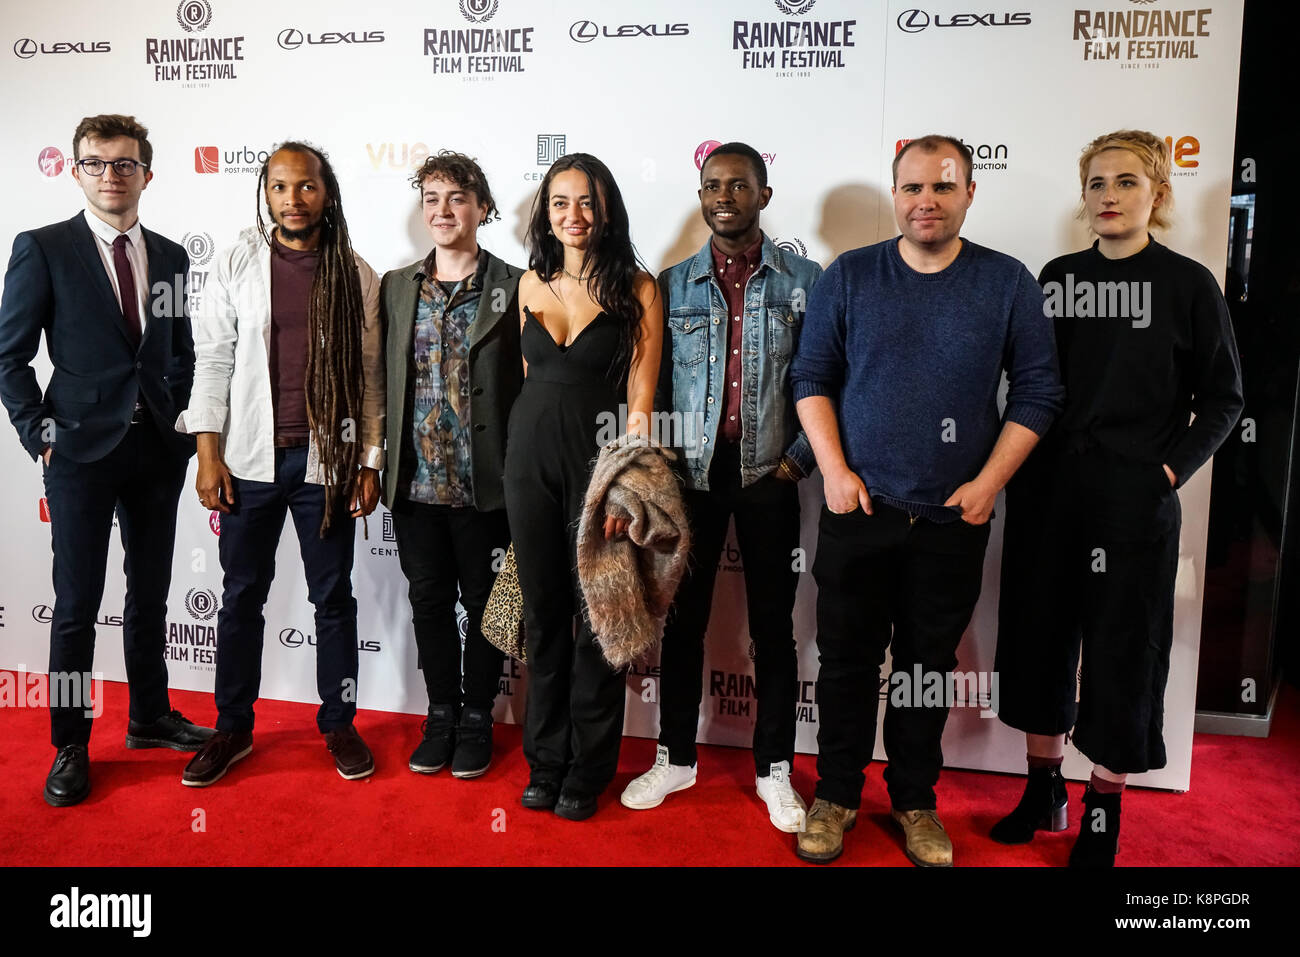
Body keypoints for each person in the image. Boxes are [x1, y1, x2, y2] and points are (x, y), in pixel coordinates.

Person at [788, 134, 1064, 865]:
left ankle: (914, 800)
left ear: (971, 192)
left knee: (923, 668)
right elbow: (810, 377)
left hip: (952, 520)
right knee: (846, 662)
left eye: (942, 187)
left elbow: (1039, 391)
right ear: (896, 194)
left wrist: (988, 483)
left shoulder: (1007, 282)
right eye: (911, 188)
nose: (926, 201)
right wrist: (836, 474)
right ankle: (836, 794)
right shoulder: (848, 276)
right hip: (860, 511)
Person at [991, 130, 1243, 866]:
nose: (1108, 196)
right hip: (1048, 495)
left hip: (1134, 504)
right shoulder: (1058, 276)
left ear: (1157, 195)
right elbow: (1032, 385)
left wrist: (1165, 473)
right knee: (1038, 641)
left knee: (1124, 652)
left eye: (1126, 183)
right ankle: (1043, 789)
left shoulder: (1191, 284)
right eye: (1097, 183)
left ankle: (1104, 804)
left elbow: (1225, 400)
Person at [0, 113, 213, 807]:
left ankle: (149, 715)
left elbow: (176, 351)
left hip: (157, 451)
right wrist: (40, 433)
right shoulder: (43, 248)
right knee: (74, 607)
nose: (111, 175)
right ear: (75, 170)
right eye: (96, 163)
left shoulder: (173, 257)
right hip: (79, 455)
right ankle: (69, 740)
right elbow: (10, 356)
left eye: (124, 164)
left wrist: (183, 427)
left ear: (147, 173)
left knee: (149, 596)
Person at [619, 142, 820, 833]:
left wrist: (798, 460)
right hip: (692, 482)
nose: (724, 195)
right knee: (682, 622)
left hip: (772, 477)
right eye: (712, 185)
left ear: (764, 194)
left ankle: (773, 770)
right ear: (700, 196)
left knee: (773, 630)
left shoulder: (806, 279)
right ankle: (675, 755)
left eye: (739, 184)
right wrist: (664, 472)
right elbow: (655, 384)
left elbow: (825, 379)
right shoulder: (671, 284)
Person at [176, 141, 385, 786]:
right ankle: (232, 726)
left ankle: (339, 722)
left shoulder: (356, 274)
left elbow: (371, 379)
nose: (293, 199)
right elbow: (210, 361)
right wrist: (208, 452)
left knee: (333, 599)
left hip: (326, 465)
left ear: (328, 192)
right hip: (248, 463)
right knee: (240, 597)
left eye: (306, 186)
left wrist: (369, 460)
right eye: (279, 187)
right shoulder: (239, 263)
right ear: (265, 193)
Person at [505, 153, 663, 821]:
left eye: (587, 201)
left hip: (601, 468)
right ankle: (544, 760)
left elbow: (640, 399)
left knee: (601, 620)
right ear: (545, 211)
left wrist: (625, 489)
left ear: (607, 210)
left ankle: (589, 767)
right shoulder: (527, 284)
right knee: (543, 619)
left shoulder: (638, 288)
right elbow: (526, 379)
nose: (574, 215)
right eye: (561, 201)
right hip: (528, 462)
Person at [380, 151, 522, 778]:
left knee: (486, 605)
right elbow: (380, 381)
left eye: (457, 197)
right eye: (432, 197)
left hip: (484, 488)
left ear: (482, 208)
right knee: (428, 603)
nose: (443, 209)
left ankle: (476, 716)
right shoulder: (396, 285)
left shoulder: (516, 286)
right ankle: (440, 712)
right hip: (414, 485)